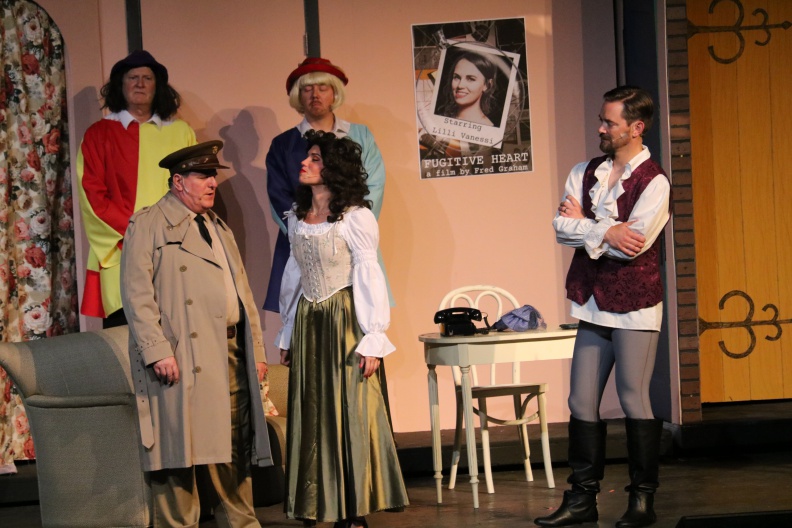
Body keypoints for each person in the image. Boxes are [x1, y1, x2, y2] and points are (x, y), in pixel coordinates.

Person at [535, 86, 671, 528]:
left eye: (609, 122)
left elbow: (633, 246)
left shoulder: (654, 181)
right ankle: (581, 499)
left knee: (633, 397)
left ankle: (642, 501)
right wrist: (607, 231)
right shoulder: (584, 171)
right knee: (580, 399)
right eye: (601, 119)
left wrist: (591, 227)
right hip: (593, 304)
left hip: (634, 306)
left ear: (636, 127)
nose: (601, 128)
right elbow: (561, 227)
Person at [121, 141, 273, 527]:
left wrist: (256, 349)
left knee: (234, 448)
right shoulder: (149, 224)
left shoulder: (217, 226)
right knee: (177, 454)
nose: (212, 183)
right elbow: (137, 294)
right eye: (203, 176)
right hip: (180, 356)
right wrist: (156, 349)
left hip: (230, 351)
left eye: (213, 176)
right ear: (178, 182)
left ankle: (242, 524)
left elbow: (243, 293)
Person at [276, 131, 408, 527]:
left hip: (344, 322)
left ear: (334, 168)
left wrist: (373, 337)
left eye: (315, 158)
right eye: (307, 157)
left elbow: (369, 275)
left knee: (348, 411)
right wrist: (287, 330)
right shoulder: (297, 217)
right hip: (309, 321)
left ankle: (352, 509)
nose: (305, 163)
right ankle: (315, 503)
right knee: (312, 412)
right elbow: (294, 275)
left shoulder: (355, 217)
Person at [78, 49, 196, 328]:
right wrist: (136, 232)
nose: (140, 84)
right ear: (121, 84)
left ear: (158, 87)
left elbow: (194, 189)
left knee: (176, 332)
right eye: (133, 77)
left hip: (173, 247)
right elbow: (92, 195)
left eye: (147, 78)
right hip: (122, 247)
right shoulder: (98, 134)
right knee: (123, 336)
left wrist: (167, 233)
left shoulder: (181, 132)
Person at [264, 57, 386, 313]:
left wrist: (348, 231)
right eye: (307, 89)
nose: (315, 95)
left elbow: (373, 186)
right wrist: (307, 233)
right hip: (302, 246)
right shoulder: (283, 144)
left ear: (334, 93)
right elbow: (279, 197)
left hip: (351, 244)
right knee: (301, 316)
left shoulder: (360, 135)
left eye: (322, 88)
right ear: (298, 96)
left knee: (358, 310)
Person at [436, 50, 497, 126]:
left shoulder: (487, 127)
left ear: (487, 85)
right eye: (456, 77)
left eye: (471, 79)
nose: (460, 85)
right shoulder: (440, 118)